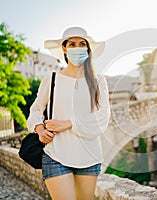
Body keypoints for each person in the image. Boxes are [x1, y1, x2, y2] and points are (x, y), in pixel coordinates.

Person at [27, 27, 110, 200]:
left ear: (88, 49)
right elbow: (36, 110)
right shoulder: (52, 78)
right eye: (72, 44)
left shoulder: (99, 81)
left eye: (82, 44)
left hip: (89, 156)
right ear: (64, 48)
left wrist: (69, 123)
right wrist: (40, 129)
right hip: (56, 154)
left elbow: (103, 117)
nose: (77, 48)